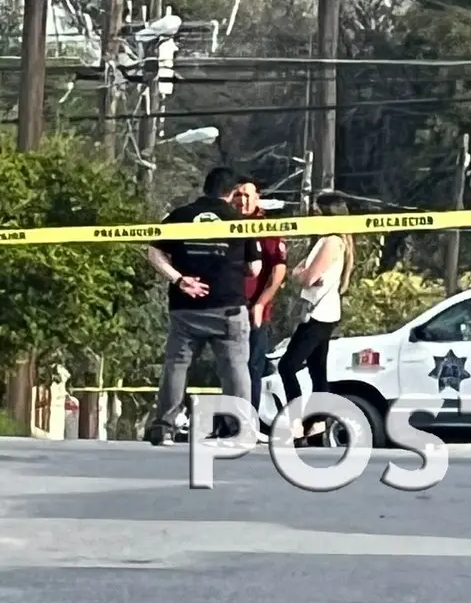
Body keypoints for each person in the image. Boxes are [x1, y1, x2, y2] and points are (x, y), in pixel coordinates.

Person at [144, 166, 262, 447]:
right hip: (228, 306)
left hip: (186, 306)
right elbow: (255, 268)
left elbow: (154, 251)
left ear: (204, 187)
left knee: (177, 365)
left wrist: (179, 279)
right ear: (231, 193)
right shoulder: (239, 221)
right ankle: (241, 429)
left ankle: (164, 427)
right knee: (235, 369)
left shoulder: (181, 216)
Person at [277, 193, 355, 442]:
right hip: (324, 312)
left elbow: (306, 277)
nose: (312, 215)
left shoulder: (331, 241)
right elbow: (301, 272)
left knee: (287, 365)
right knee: (316, 369)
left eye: (317, 211)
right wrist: (301, 272)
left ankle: (296, 422)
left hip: (318, 314)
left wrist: (300, 274)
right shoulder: (326, 241)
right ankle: (318, 421)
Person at [232, 180, 288, 433]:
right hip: (225, 309)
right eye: (237, 195)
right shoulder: (224, 222)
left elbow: (279, 269)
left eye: (247, 196)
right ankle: (227, 423)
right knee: (229, 368)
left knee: (252, 367)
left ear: (257, 198)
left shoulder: (265, 227)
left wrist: (261, 302)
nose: (242, 201)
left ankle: (248, 424)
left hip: (255, 311)